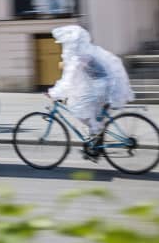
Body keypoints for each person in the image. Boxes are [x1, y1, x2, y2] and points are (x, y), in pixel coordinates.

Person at [46, 24, 133, 152]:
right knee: (88, 113)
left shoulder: (79, 57)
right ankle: (96, 146)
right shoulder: (85, 53)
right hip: (102, 85)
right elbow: (79, 79)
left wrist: (55, 93)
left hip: (101, 87)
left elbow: (69, 79)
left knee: (83, 112)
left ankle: (96, 145)